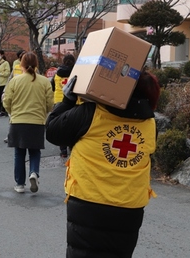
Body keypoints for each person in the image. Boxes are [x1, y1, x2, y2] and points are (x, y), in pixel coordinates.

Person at [46, 70, 160, 258]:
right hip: (129, 207)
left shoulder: (90, 113)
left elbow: (53, 131)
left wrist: (67, 101)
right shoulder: (150, 125)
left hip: (89, 203)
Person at [3, 52, 54, 194]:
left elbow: (7, 101)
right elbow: (50, 103)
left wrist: (12, 112)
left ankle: (19, 184)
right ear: (36, 64)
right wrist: (44, 112)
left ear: (21, 65)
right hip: (37, 122)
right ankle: (34, 173)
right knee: (35, 151)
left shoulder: (15, 81)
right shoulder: (44, 82)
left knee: (19, 153)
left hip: (18, 121)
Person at [51, 53, 77, 158]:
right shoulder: (76, 72)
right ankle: (72, 147)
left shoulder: (57, 73)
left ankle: (63, 151)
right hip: (72, 101)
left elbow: (52, 86)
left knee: (60, 125)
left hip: (58, 101)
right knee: (73, 124)